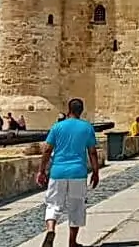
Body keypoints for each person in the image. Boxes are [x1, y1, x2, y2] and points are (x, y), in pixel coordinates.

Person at [36, 98, 100, 247]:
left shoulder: (57, 127)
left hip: (58, 171)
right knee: (76, 206)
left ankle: (51, 229)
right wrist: (95, 172)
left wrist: (41, 171)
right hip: (78, 172)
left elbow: (47, 150)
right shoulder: (87, 128)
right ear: (81, 111)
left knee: (53, 204)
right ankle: (72, 242)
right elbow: (92, 152)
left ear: (68, 109)